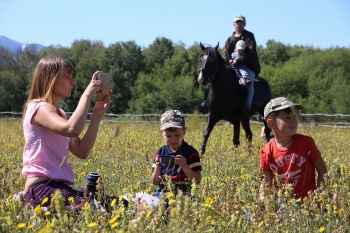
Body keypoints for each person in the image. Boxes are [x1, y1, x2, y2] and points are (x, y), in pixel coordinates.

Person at [21, 55, 126, 211]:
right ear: (50, 79)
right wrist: (86, 95)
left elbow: (82, 151)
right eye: (67, 77)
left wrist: (96, 115)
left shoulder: (61, 114)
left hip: (59, 188)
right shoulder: (38, 108)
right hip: (41, 188)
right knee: (95, 210)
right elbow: (71, 129)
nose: (72, 82)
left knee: (119, 205)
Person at [260, 97, 327, 199]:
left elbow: (322, 171)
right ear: (271, 123)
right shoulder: (266, 151)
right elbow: (265, 183)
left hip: (307, 203)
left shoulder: (306, 143)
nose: (293, 121)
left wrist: (320, 198)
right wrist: (261, 207)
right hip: (281, 204)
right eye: (287, 117)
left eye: (294, 116)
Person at [151, 110, 202, 199]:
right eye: (168, 136)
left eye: (177, 135)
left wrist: (184, 166)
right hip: (163, 192)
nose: (173, 139)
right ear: (162, 133)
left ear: (184, 131)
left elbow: (197, 180)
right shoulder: (160, 152)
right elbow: (155, 182)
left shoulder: (191, 152)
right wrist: (158, 167)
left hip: (185, 193)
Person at [223, 14, 261, 114]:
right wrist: (227, 62)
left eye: (241, 22)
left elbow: (251, 52)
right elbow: (226, 53)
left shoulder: (249, 36)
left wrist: (238, 61)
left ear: (244, 24)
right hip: (233, 66)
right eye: (237, 22)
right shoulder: (229, 39)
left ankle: (248, 106)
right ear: (233, 24)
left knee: (250, 84)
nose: (238, 24)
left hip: (249, 66)